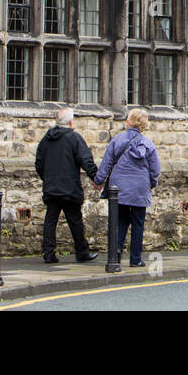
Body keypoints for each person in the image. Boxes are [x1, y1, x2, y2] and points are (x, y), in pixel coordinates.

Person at [93, 108, 160, 267]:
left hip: (119, 188)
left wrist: (99, 180)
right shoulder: (148, 144)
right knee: (138, 223)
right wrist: (152, 184)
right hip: (139, 188)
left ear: (129, 122)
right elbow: (155, 170)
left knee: (120, 221)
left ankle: (115, 254)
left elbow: (107, 163)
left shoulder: (117, 140)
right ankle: (135, 259)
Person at [34, 106, 99, 264]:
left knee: (50, 220)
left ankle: (48, 254)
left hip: (51, 186)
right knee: (75, 221)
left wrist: (47, 178)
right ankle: (82, 252)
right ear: (71, 122)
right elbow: (86, 160)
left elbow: (39, 163)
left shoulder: (46, 140)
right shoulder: (74, 138)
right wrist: (96, 178)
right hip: (69, 187)